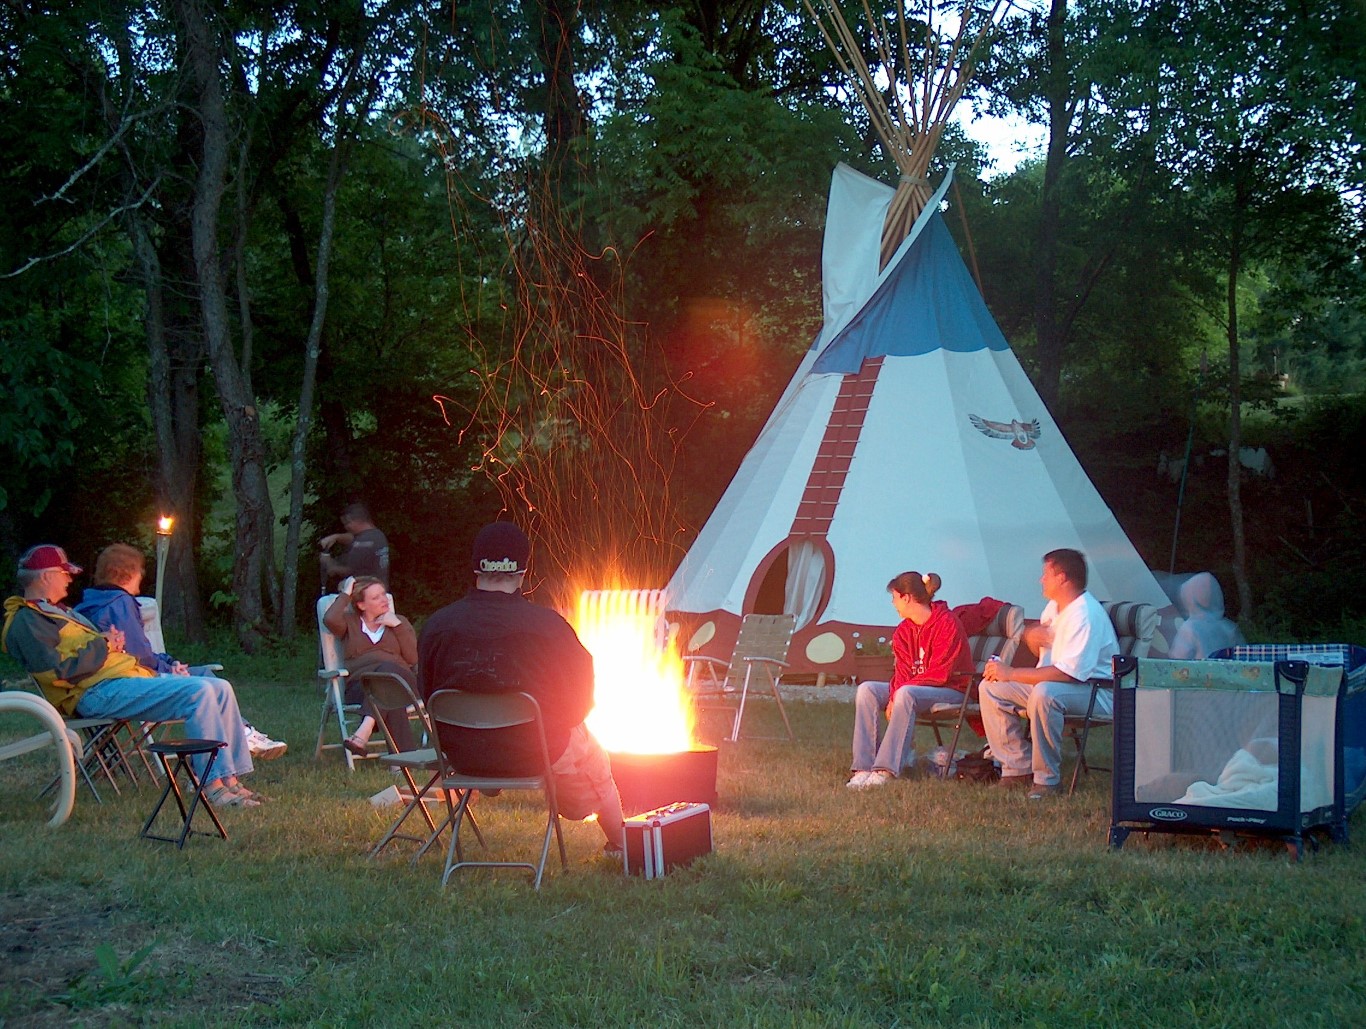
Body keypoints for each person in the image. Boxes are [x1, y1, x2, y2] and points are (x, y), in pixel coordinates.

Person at [2, 545, 265, 808]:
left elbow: (81, 654)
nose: (70, 578)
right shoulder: (27, 621)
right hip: (93, 693)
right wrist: (103, 645)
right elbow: (61, 670)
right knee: (199, 691)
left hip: (119, 680)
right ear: (46, 576)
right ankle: (212, 787)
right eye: (64, 573)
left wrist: (108, 643)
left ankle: (231, 781)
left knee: (219, 687)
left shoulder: (56, 611)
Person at [418, 521, 626, 853]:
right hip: (533, 754)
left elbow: (428, 694)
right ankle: (622, 842)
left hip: (463, 756)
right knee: (591, 754)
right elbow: (581, 701)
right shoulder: (549, 628)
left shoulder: (438, 626)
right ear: (522, 572)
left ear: (476, 568)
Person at [73, 543, 288, 760]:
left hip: (121, 678)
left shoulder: (91, 603)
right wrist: (169, 669)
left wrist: (169, 663)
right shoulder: (119, 603)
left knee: (202, 675)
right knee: (203, 679)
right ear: (128, 573)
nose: (142, 575)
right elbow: (139, 655)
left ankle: (242, 736)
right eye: (140, 570)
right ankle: (240, 739)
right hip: (130, 680)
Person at [979, 548, 1119, 799]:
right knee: (990, 688)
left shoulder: (1085, 615)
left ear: (1063, 578)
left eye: (1046, 574)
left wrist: (1010, 672)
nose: (1040, 580)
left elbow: (1069, 675)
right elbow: (1037, 638)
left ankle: (1047, 781)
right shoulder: (1055, 607)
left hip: (1098, 693)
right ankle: (1017, 768)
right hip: (1057, 685)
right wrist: (1031, 634)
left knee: (1045, 692)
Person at [847, 571, 975, 790]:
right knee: (867, 689)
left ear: (906, 597)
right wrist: (894, 694)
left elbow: (940, 672)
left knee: (906, 693)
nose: (893, 603)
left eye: (894, 598)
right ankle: (863, 767)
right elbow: (903, 671)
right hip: (915, 689)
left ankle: (885, 769)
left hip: (951, 688)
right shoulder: (904, 631)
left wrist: (899, 694)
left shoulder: (947, 623)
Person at [322, 575, 418, 755]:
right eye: (376, 597)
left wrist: (396, 626)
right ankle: (402, 761)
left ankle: (363, 732)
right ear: (361, 605)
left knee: (388, 671)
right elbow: (330, 619)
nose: (384, 600)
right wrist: (346, 594)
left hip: (402, 681)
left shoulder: (399, 622)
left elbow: (412, 659)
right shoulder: (350, 624)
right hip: (362, 687)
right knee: (389, 692)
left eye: (384, 594)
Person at [1169, 572, 1243, 660]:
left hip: (1200, 673)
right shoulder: (1229, 628)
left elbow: (1177, 660)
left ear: (1187, 600)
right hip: (1227, 673)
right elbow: (1242, 657)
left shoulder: (1190, 629)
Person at [319, 502, 389, 589]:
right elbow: (353, 538)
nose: (346, 527)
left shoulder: (364, 543)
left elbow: (348, 570)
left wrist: (328, 563)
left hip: (365, 594)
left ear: (356, 521)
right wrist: (336, 537)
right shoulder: (377, 535)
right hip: (378, 590)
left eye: (347, 523)